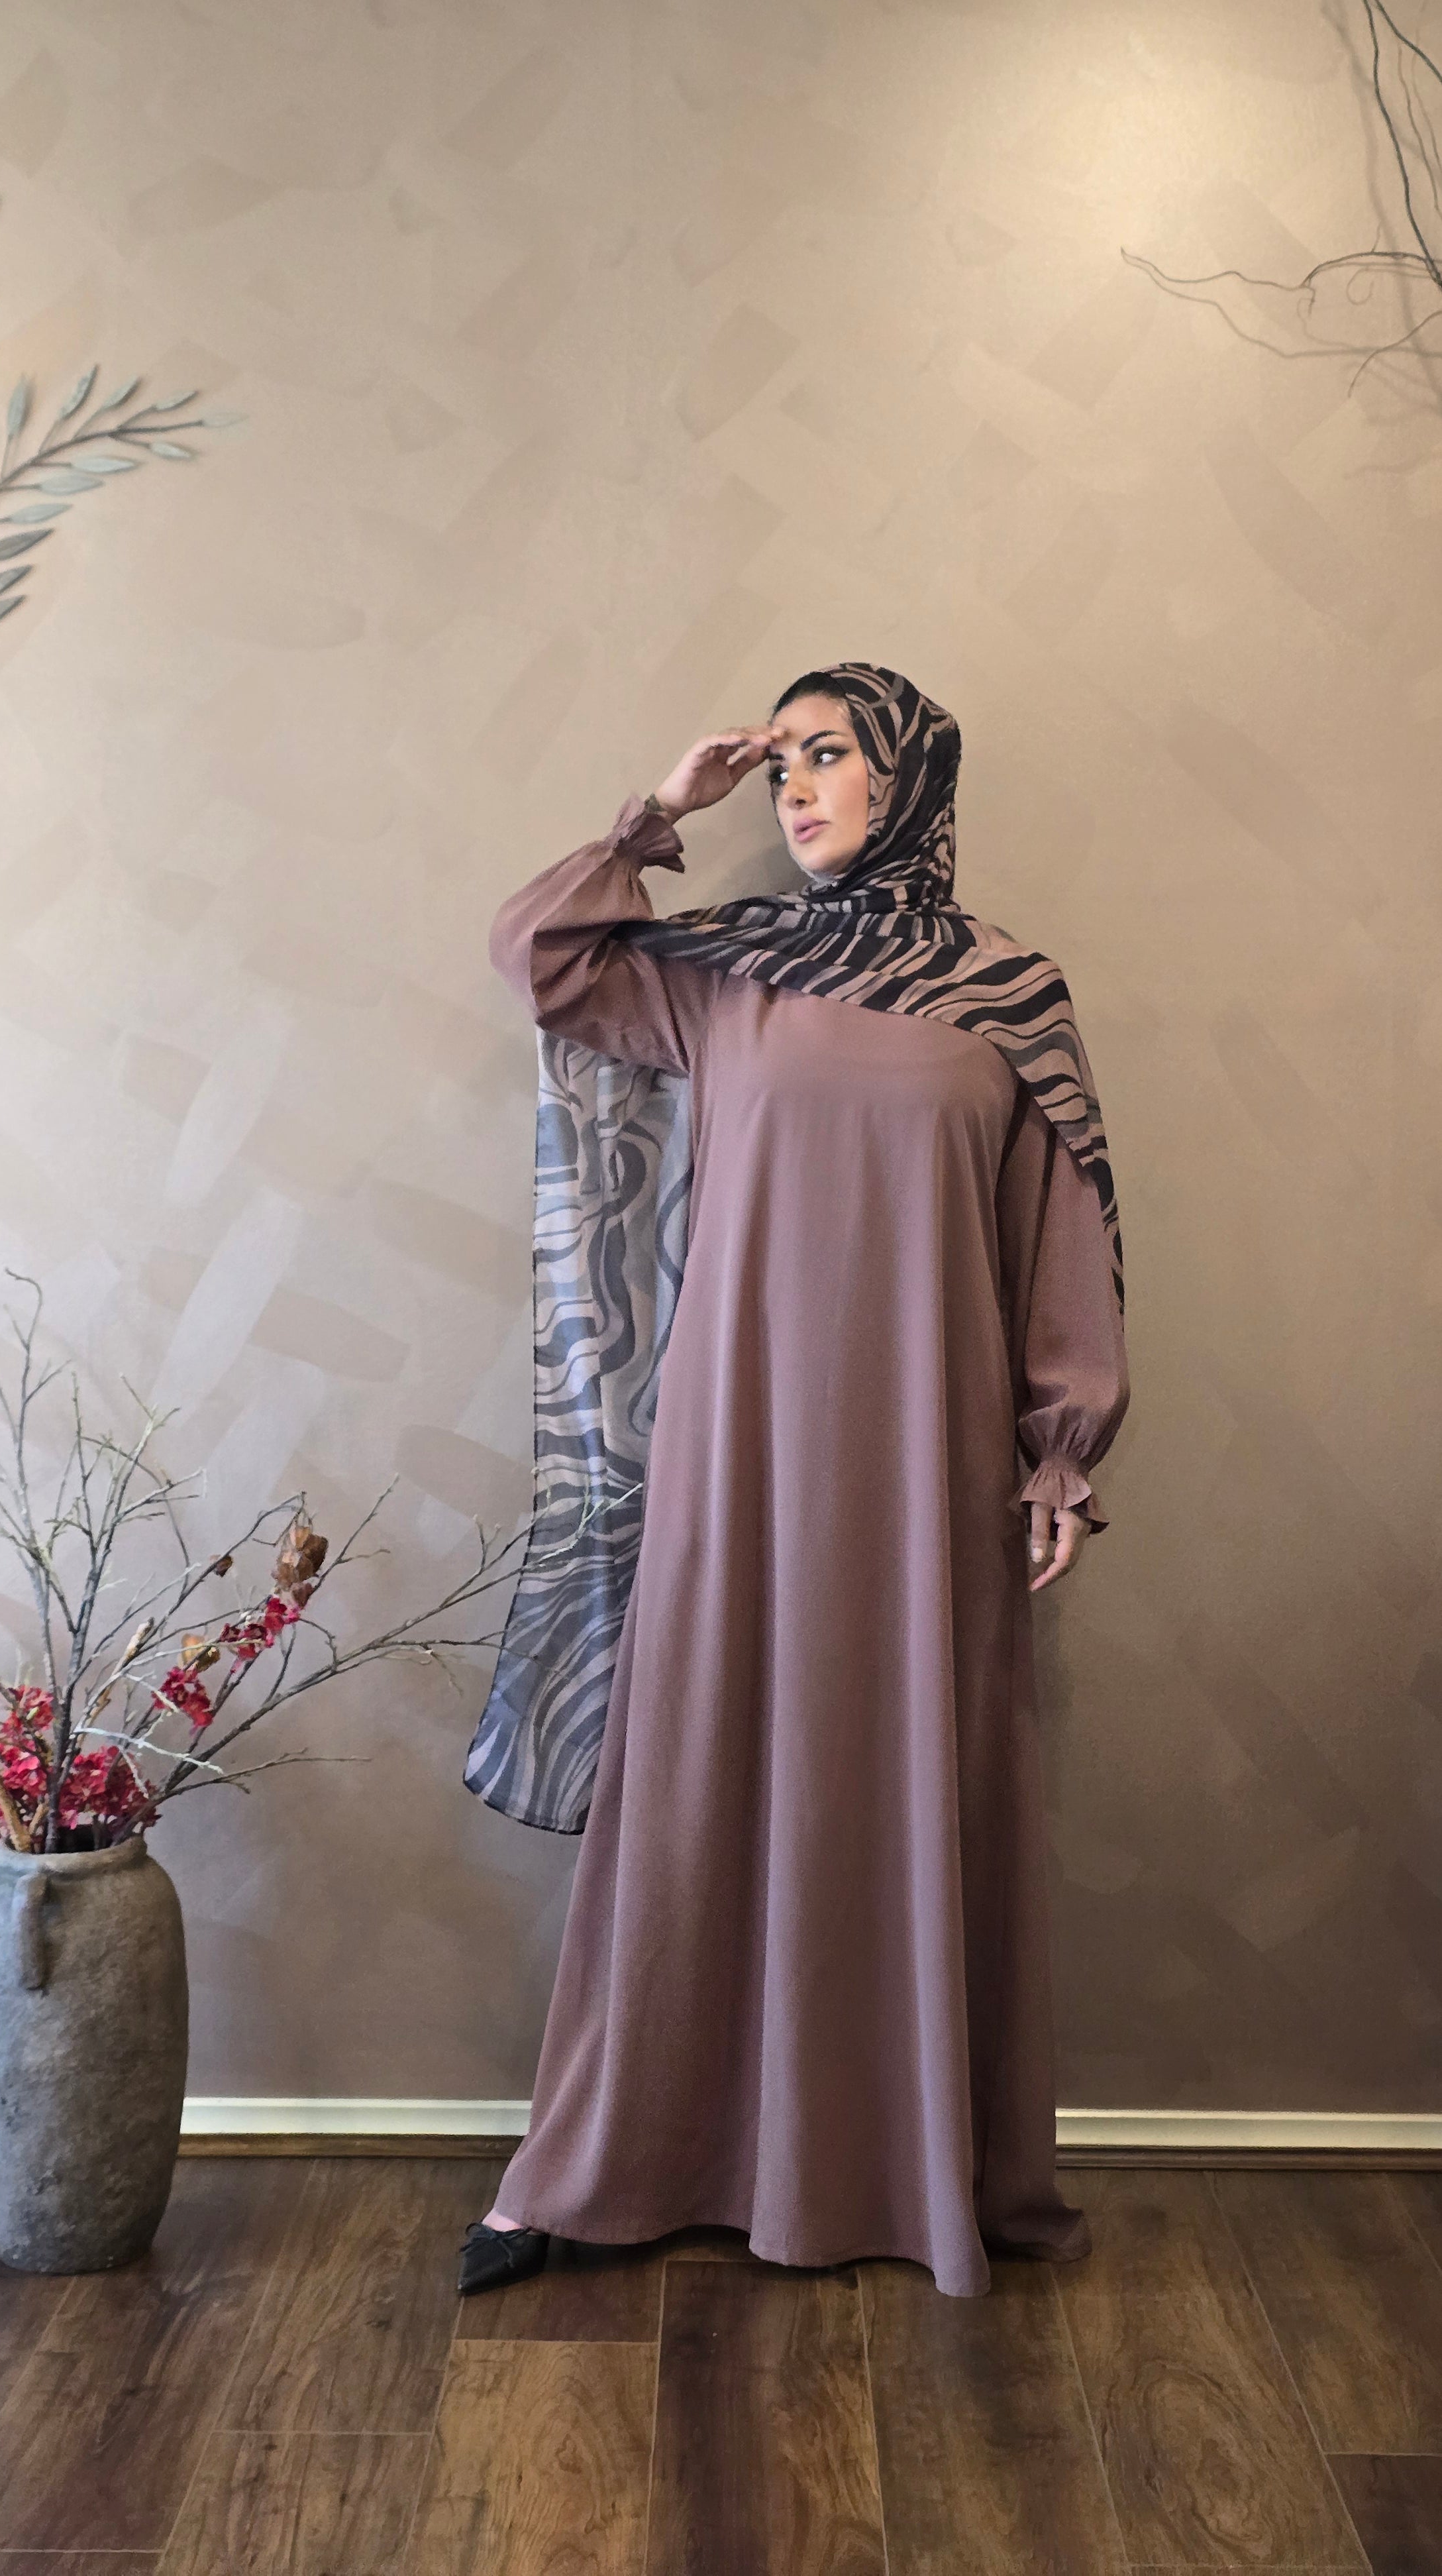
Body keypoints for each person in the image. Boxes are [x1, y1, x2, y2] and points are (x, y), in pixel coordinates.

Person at [457, 662, 1129, 2299]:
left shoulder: (1009, 995)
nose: (799, 789)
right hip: (734, 1447)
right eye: (782, 767)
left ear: (911, 778)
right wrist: (656, 813)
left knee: (899, 1780)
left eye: (830, 755)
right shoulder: (730, 977)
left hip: (926, 1461)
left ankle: (896, 2170)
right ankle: (615, 2160)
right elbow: (542, 956)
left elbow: (1057, 1237)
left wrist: (1060, 1448)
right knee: (695, 1775)